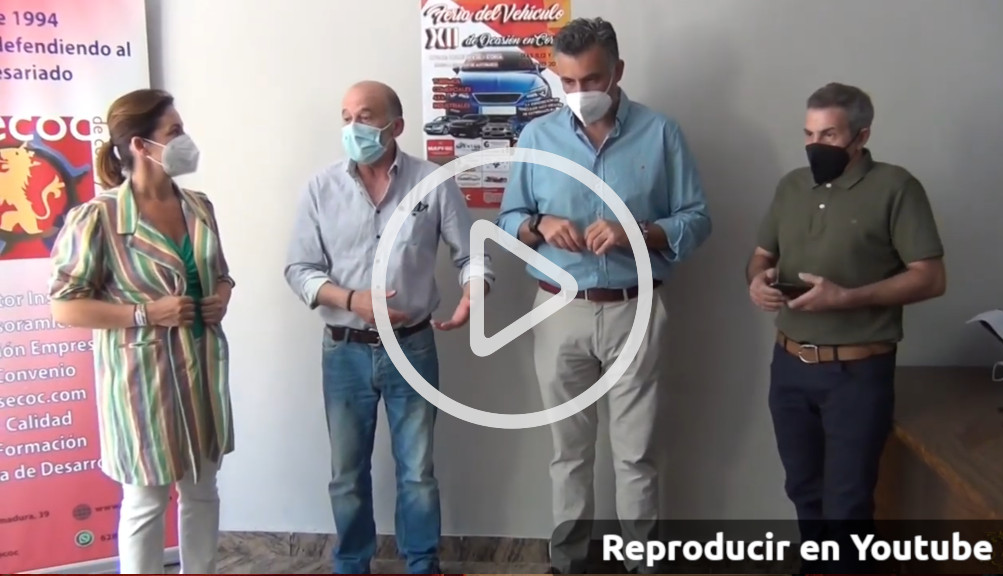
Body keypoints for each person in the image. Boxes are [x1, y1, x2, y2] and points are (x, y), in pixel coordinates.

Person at [496, 18, 712, 574]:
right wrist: (539, 224)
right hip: (558, 309)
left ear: (618, 71)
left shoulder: (661, 133)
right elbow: (509, 218)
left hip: (634, 308)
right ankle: (567, 563)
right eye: (567, 81)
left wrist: (636, 231)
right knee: (568, 453)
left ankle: (643, 563)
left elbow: (697, 219)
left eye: (591, 79)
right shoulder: (537, 136)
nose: (579, 93)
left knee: (636, 454)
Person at [283, 80, 493, 575]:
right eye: (346, 116)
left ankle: (422, 565)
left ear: (395, 126)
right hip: (344, 351)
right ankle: (351, 564)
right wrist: (352, 300)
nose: (352, 127)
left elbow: (472, 253)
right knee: (346, 474)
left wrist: (474, 290)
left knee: (417, 472)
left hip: (412, 347)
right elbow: (299, 269)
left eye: (365, 115)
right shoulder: (320, 188)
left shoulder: (432, 181)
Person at [746, 82, 946, 572]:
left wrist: (846, 298)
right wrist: (757, 282)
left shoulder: (897, 188)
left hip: (857, 372)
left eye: (829, 135)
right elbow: (761, 256)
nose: (815, 145)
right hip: (789, 365)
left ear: (861, 136)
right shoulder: (791, 187)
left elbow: (931, 277)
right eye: (809, 134)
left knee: (847, 503)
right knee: (803, 489)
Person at [48, 88, 235, 574]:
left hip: (202, 371)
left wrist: (221, 296)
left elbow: (221, 274)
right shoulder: (99, 217)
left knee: (202, 490)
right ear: (139, 144)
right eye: (174, 131)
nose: (185, 140)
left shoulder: (198, 206)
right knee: (146, 501)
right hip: (142, 382)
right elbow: (65, 306)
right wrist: (146, 313)